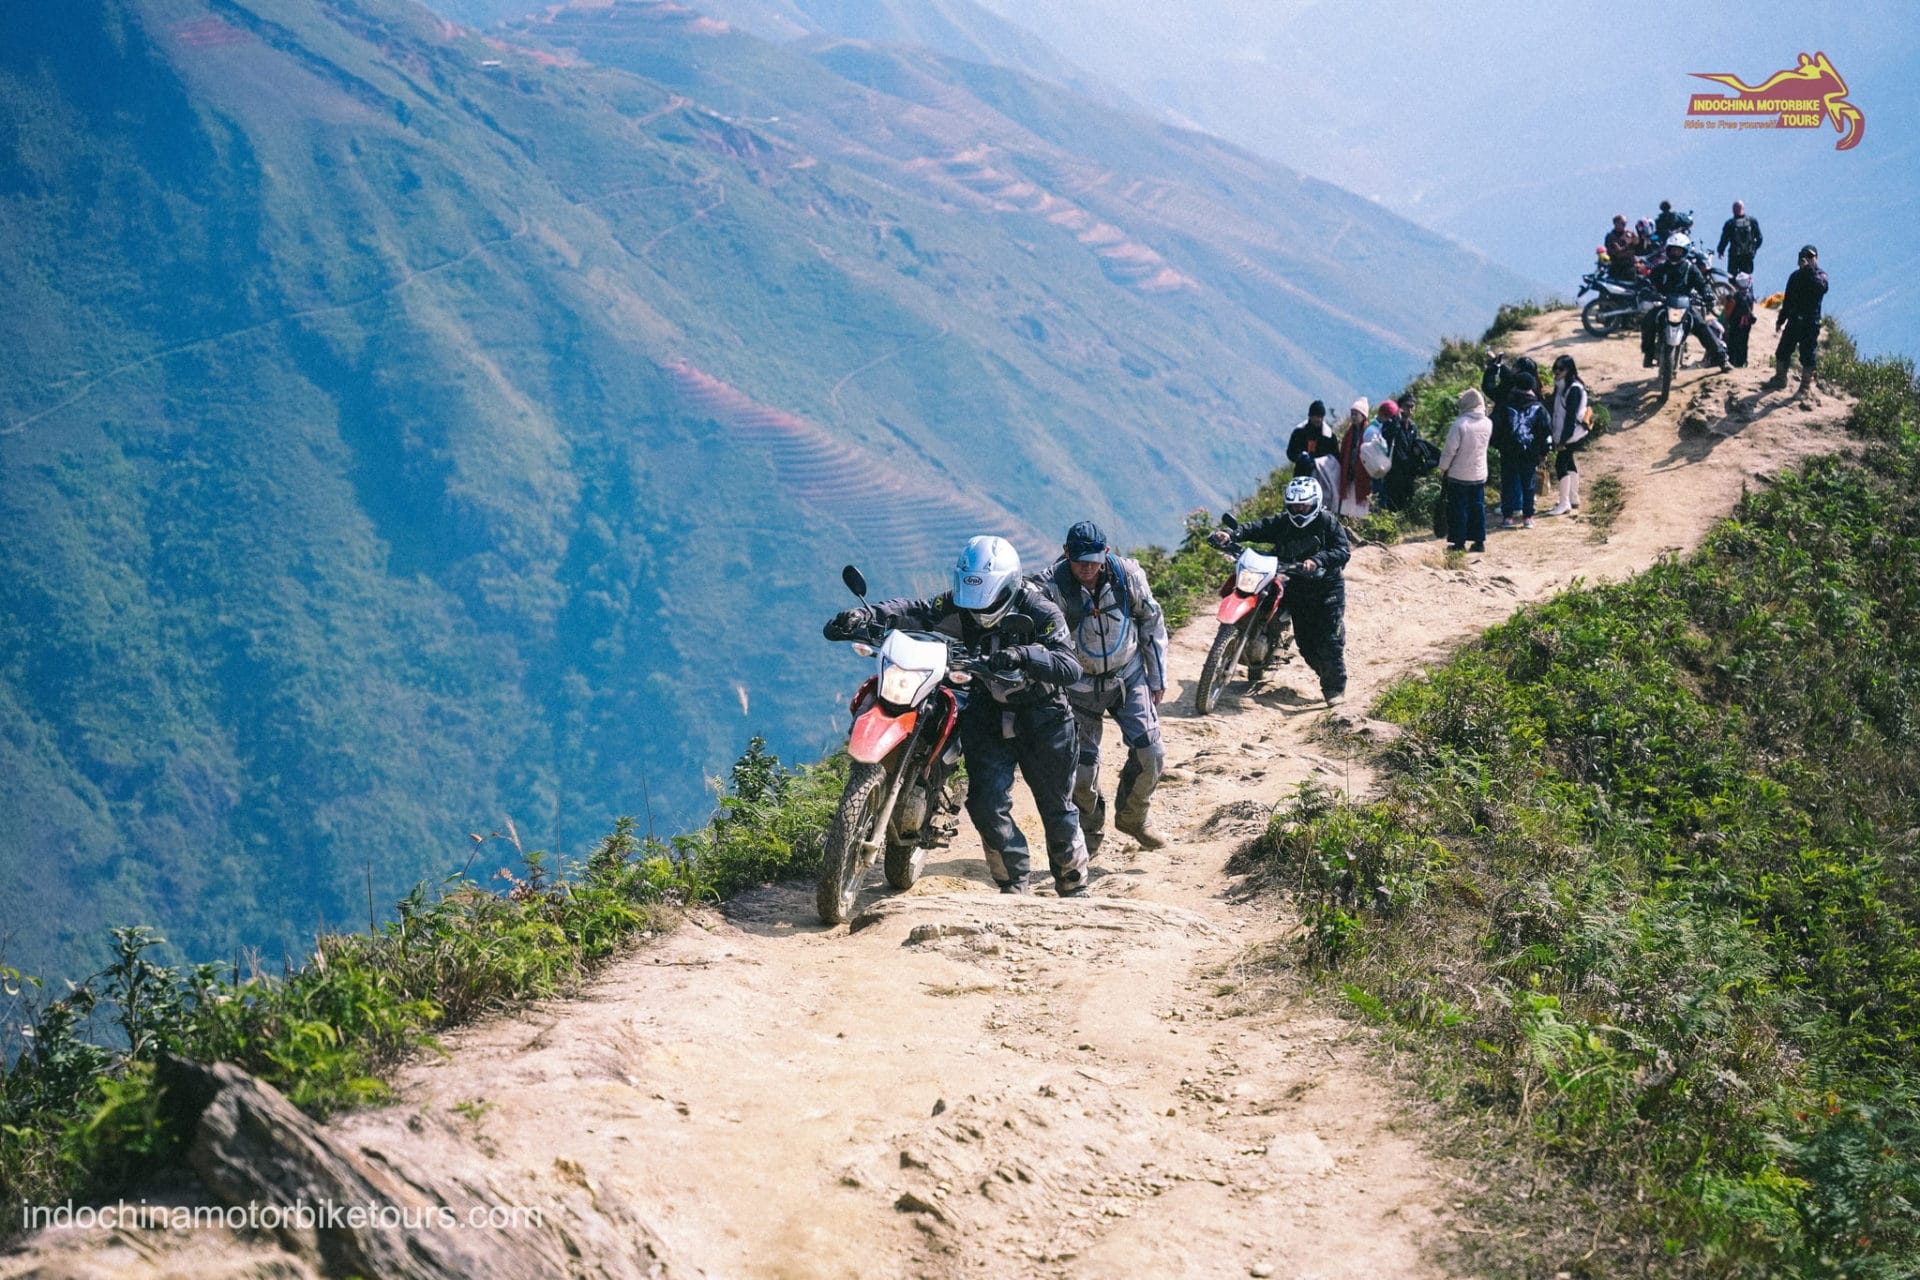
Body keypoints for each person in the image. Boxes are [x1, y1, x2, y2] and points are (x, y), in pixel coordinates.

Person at [826, 536, 1091, 897]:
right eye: (969, 602)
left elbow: (1069, 665)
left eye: (989, 601)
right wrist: (869, 614)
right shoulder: (960, 603)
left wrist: (1024, 655)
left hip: (1043, 715)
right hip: (986, 711)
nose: (977, 613)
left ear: (1009, 587)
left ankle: (1073, 884)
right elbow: (916, 609)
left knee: (1056, 806)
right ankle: (1013, 884)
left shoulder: (1042, 611)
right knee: (985, 803)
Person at [1033, 522, 1170, 856]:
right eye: (1079, 559)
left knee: (1151, 754)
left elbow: (1151, 620)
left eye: (1094, 559)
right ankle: (1089, 829)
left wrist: (1157, 678)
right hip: (1077, 686)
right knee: (1081, 773)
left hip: (1128, 675)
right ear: (1066, 553)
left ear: (1106, 553)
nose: (1087, 566)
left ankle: (1134, 817)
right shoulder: (1051, 587)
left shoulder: (1127, 576)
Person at [1207, 477, 1351, 708]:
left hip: (1325, 589)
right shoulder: (1284, 522)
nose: (1298, 510)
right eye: (1294, 506)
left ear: (1314, 504)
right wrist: (1231, 535)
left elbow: (1342, 550)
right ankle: (1258, 654)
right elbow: (1257, 528)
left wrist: (1318, 559)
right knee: (1305, 644)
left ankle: (1333, 688)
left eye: (1303, 506)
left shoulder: (1327, 522)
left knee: (1328, 641)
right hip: (1295, 586)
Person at [1639, 234, 1730, 373]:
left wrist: (1708, 295)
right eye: (1673, 250)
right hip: (1665, 303)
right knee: (1647, 322)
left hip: (1685, 305)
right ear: (1668, 250)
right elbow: (1648, 281)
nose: (1675, 253)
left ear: (1684, 252)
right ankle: (1649, 354)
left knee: (1702, 327)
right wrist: (1647, 290)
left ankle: (1722, 359)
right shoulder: (1661, 268)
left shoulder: (1691, 268)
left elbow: (1702, 284)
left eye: (1679, 250)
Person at [1764, 245, 1830, 397]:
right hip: (1794, 320)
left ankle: (1804, 388)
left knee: (1808, 355)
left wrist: (1809, 270)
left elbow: (1821, 288)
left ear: (1816, 258)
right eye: (1803, 256)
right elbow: (1788, 300)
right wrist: (1781, 319)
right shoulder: (1795, 276)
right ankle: (1780, 379)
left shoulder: (1820, 275)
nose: (1806, 259)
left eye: (1810, 257)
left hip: (1810, 322)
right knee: (1782, 351)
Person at [1438, 387, 1492, 552]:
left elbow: (1449, 450)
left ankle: (1459, 543)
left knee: (1458, 509)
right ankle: (1479, 541)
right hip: (1479, 473)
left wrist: (1442, 468)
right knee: (1477, 507)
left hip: (1459, 474)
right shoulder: (1488, 423)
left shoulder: (1460, 424)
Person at [1492, 374, 1549, 528]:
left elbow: (1495, 429)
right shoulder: (1538, 407)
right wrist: (1543, 452)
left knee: (1508, 484)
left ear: (1515, 386)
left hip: (1508, 452)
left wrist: (1499, 446)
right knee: (1528, 485)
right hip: (1530, 453)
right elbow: (1545, 431)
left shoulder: (1505, 405)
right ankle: (1528, 517)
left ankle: (1508, 518)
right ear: (1531, 387)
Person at [1542, 355, 1591, 517]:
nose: (1556, 371)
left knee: (1560, 464)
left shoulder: (1574, 389)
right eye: (1555, 368)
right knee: (1569, 462)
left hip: (1573, 433)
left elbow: (1570, 417)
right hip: (1568, 432)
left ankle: (1564, 503)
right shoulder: (1563, 385)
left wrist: (1562, 440)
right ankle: (1573, 497)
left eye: (1560, 369)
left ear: (1569, 370)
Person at [1373, 399, 1421, 513]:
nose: (1409, 410)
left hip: (1408, 469)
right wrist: (1396, 421)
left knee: (1405, 498)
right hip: (1393, 469)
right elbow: (1386, 437)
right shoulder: (1392, 424)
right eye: (1407, 406)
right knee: (1392, 497)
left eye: (1412, 407)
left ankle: (1403, 518)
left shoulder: (1412, 427)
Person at [1333, 399, 1374, 517]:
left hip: (1363, 476)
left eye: (1356, 414)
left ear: (1363, 415)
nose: (1353, 417)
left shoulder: (1369, 433)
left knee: (1361, 504)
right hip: (1350, 475)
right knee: (1348, 505)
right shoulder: (1349, 433)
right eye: (1352, 414)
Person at [1286, 400, 1338, 478]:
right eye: (1317, 416)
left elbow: (1335, 458)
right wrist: (1300, 458)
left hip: (1322, 476)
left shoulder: (1329, 436)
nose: (1319, 419)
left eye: (1321, 417)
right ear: (1310, 416)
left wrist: (1318, 462)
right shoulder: (1299, 432)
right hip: (1301, 474)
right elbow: (1290, 452)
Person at [1716, 200, 1763, 277]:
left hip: (1734, 256)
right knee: (1746, 280)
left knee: (1732, 278)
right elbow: (1760, 238)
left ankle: (1733, 288)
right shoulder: (1752, 221)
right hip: (1748, 256)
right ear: (1743, 208)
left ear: (1733, 210)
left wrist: (1721, 251)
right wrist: (1754, 249)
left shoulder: (1730, 224)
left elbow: (1724, 239)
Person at [1723, 272, 1758, 368]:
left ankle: (1732, 361)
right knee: (1743, 343)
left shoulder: (1734, 297)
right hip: (1746, 324)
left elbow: (1728, 312)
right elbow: (1751, 309)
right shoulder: (1750, 296)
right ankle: (1742, 362)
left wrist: (1726, 320)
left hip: (1735, 323)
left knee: (1733, 342)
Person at [1605, 214, 1648, 281]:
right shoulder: (1611, 236)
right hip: (1616, 267)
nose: (1624, 224)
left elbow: (1638, 247)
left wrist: (1643, 238)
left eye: (1625, 223)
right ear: (1615, 223)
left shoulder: (1630, 233)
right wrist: (1629, 247)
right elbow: (1617, 252)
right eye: (1622, 223)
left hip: (1629, 266)